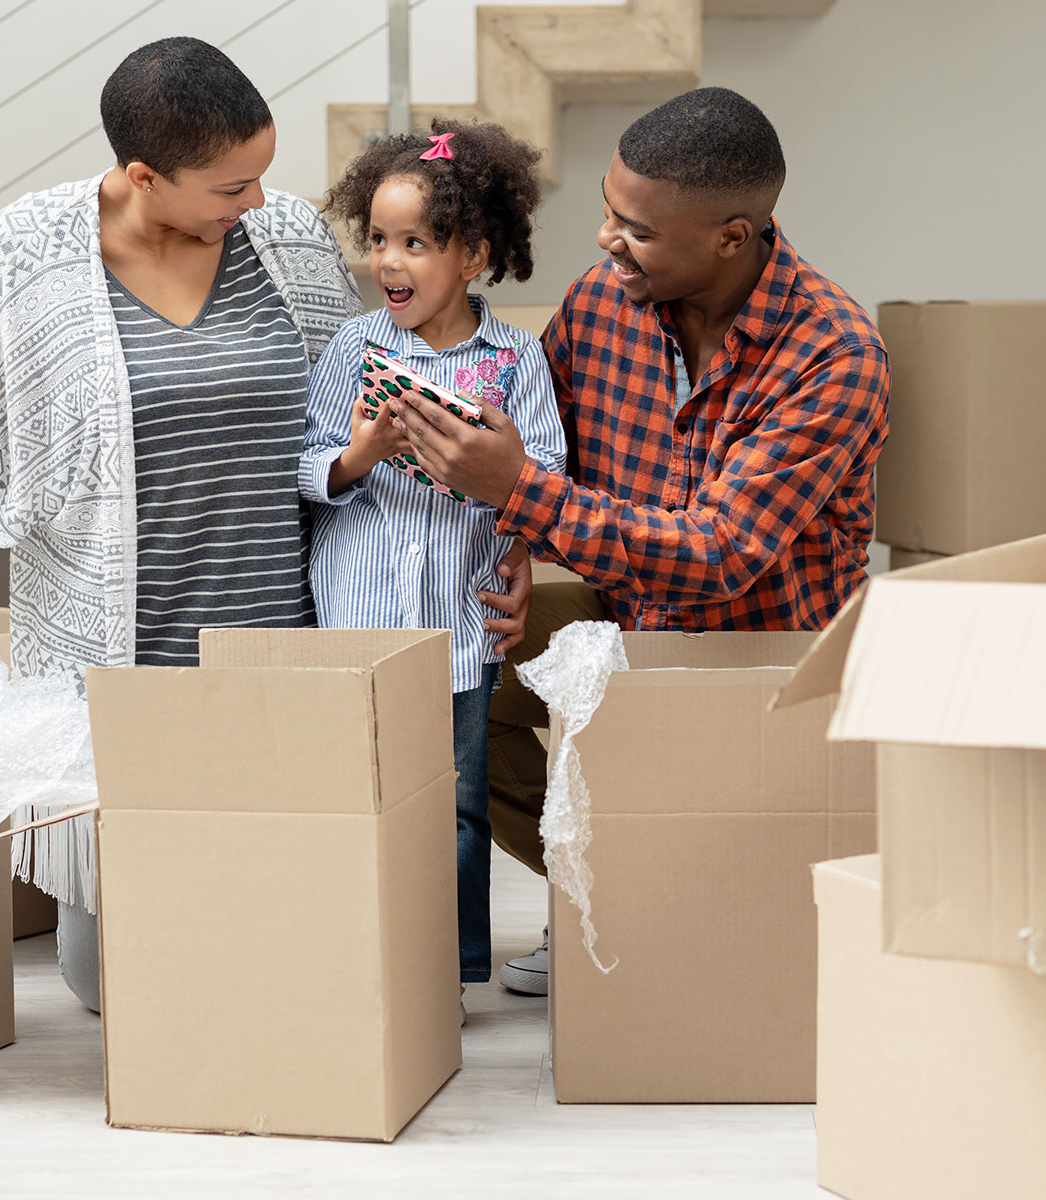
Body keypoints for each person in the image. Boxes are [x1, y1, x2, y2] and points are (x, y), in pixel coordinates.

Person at [0, 39, 531, 1012]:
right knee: (112, 984)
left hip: (288, 663)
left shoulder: (289, 241)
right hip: (124, 685)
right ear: (142, 176)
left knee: (297, 970)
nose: (257, 202)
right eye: (230, 186)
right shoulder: (33, 251)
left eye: (260, 175)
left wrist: (503, 545)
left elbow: (376, 421)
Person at [383, 87, 891, 995]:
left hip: (760, 668)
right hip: (628, 620)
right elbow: (549, 453)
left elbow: (720, 555)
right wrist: (514, 548)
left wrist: (515, 490)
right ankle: (614, 887)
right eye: (609, 214)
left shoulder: (835, 355)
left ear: (732, 237)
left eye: (639, 231)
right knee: (457, 667)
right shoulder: (601, 304)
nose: (609, 243)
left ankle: (689, 897)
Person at [302, 121, 566, 1006]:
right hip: (358, 625)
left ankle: (448, 971)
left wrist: (514, 499)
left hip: (459, 628)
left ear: (474, 254)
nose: (389, 260)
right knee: (355, 798)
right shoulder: (353, 350)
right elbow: (307, 468)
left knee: (456, 805)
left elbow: (547, 478)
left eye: (415, 241)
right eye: (377, 239)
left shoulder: (515, 358)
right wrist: (362, 452)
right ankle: (356, 952)